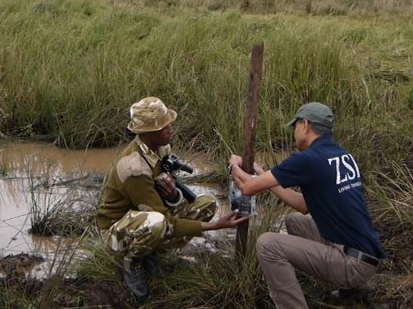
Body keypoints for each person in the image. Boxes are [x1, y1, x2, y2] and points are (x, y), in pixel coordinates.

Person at [229, 102, 385, 309]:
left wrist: (233, 166)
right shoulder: (340, 154)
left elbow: (247, 188)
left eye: (295, 127)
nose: (294, 134)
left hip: (352, 264)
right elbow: (303, 205)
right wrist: (261, 172)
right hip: (366, 255)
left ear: (305, 125)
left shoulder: (308, 160)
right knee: (295, 220)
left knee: (268, 244)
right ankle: (352, 290)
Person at [96, 96, 249, 303]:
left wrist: (173, 196)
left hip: (147, 215)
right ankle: (131, 261)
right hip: (117, 229)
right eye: (165, 126)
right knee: (156, 223)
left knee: (207, 204)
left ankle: (149, 250)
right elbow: (165, 222)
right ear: (148, 133)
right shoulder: (134, 168)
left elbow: (168, 200)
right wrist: (215, 226)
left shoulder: (161, 149)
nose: (171, 129)